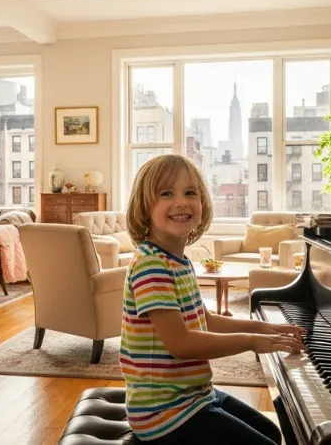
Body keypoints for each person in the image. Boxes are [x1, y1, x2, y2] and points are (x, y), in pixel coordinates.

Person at [121, 154, 306, 445]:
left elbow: (204, 320)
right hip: (164, 413)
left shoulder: (178, 261)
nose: (181, 202)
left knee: (272, 432)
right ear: (145, 208)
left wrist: (264, 328)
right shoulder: (151, 265)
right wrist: (251, 342)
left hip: (194, 395)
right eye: (166, 193)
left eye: (190, 192)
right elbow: (180, 344)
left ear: (203, 203)